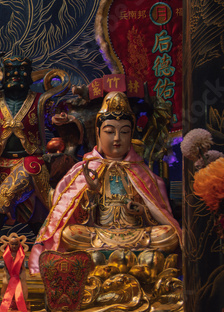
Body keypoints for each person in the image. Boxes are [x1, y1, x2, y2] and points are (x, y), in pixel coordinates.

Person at [30, 92, 181, 271]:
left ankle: (107, 258)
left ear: (131, 135)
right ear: (98, 134)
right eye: (110, 132)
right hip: (98, 235)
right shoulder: (85, 170)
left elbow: (160, 217)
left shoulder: (142, 172)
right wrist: (91, 193)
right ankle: (129, 259)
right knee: (70, 234)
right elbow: (72, 218)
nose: (117, 138)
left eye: (124, 132)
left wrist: (143, 212)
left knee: (168, 235)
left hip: (136, 235)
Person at [0, 52, 68, 238]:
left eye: (22, 70)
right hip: (2, 163)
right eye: (10, 70)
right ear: (3, 74)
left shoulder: (41, 101)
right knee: (30, 206)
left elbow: (57, 127)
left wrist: (62, 123)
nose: (16, 74)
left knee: (6, 193)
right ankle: (44, 239)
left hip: (32, 162)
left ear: (30, 75)